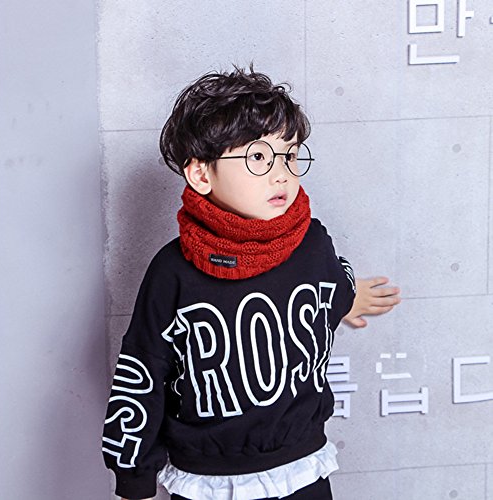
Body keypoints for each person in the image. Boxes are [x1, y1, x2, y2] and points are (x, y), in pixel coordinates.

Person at [102, 65, 401, 500]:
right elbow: (143, 372)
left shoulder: (311, 242)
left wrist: (349, 297)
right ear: (201, 175)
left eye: (290, 156)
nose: (282, 174)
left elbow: (331, 287)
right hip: (211, 479)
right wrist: (134, 480)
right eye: (258, 158)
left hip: (302, 468)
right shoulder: (172, 273)